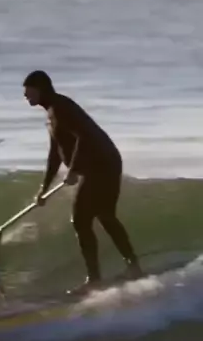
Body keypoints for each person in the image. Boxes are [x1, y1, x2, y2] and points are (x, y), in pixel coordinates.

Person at [23, 70, 142, 294]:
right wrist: (43, 188)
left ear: (40, 89)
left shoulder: (61, 108)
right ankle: (132, 267)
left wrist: (74, 169)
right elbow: (55, 154)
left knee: (81, 219)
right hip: (104, 163)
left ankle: (95, 279)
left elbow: (84, 136)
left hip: (102, 165)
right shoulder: (52, 113)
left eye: (28, 91)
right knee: (105, 216)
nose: (25, 95)